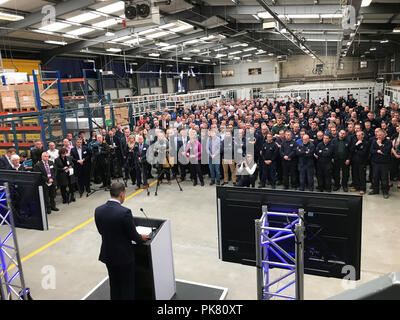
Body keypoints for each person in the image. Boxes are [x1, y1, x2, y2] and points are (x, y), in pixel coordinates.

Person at [94, 182, 149, 300]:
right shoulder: (124, 212)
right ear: (122, 194)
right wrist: (142, 238)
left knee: (114, 285)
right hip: (124, 257)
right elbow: (133, 236)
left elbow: (101, 231)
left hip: (108, 255)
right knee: (127, 287)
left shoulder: (98, 210)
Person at [369, 129, 392, 199]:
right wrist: (378, 151)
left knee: (384, 178)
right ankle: (375, 190)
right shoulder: (374, 141)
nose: (378, 137)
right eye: (378, 135)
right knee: (375, 177)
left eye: (380, 135)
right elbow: (371, 150)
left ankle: (385, 191)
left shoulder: (388, 142)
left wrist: (380, 145)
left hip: (384, 163)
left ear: (384, 135)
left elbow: (386, 151)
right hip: (375, 163)